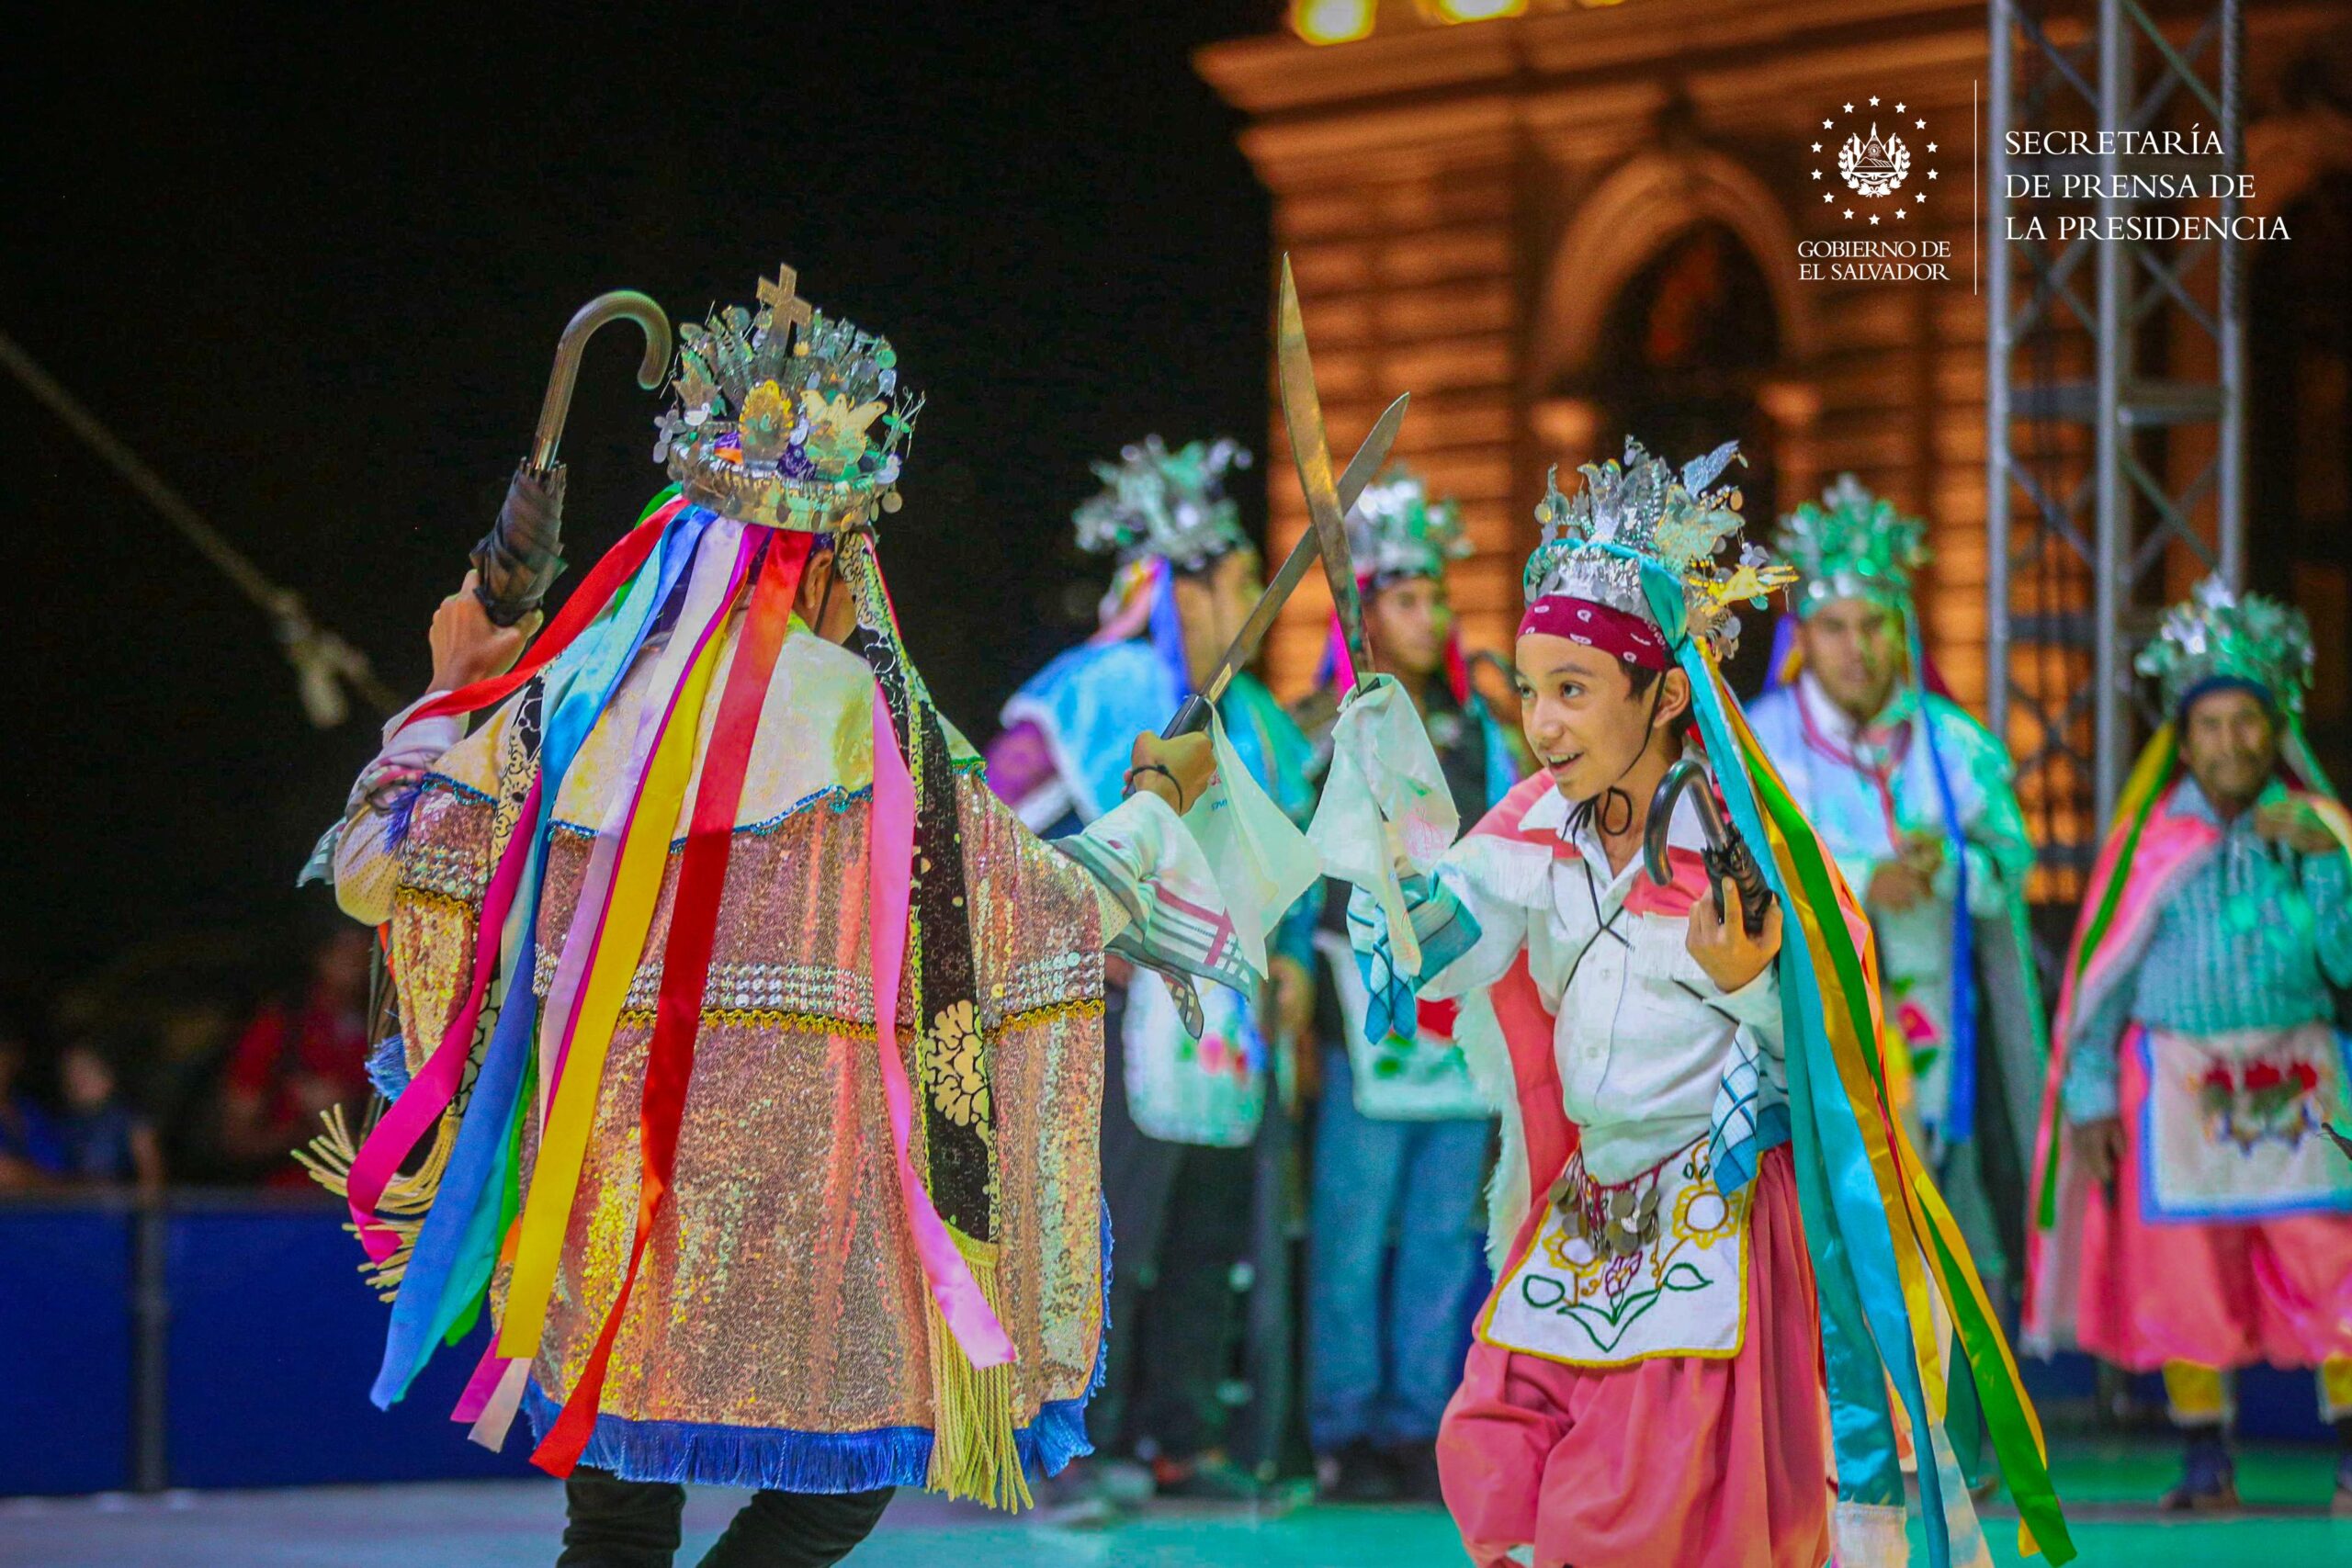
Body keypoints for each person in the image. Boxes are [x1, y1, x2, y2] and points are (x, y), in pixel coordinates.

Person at [304, 269, 1301, 1568]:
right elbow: (1048, 902)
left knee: (611, 1512)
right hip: (803, 1249)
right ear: (825, 556)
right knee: (834, 1488)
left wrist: (447, 691)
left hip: (611, 1225)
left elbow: (374, 864)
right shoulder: (858, 717)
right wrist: (1158, 805)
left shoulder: (577, 706)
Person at [1334, 440, 2069, 1568]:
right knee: (1499, 1438)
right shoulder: (1534, 824)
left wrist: (1756, 993)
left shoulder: (1739, 847)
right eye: (1532, 691)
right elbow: (1457, 943)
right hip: (1588, 1206)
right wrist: (1394, 879)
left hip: (1715, 1216)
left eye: (1572, 692)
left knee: (1652, 1507)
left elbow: (1830, 1029)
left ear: (1666, 692)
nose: (1541, 723)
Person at [989, 435, 1320, 1499]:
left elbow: (1292, 867)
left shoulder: (1259, 722)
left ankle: (1181, 1435)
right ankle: (1062, 1443)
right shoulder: (1094, 692)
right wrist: (1089, 925)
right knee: (1099, 1237)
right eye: (1225, 583)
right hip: (1110, 1020)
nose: (1240, 603)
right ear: (1176, 588)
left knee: (1202, 1240)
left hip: (1228, 1026)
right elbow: (996, 833)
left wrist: (1300, 965)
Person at [2028, 576, 2352, 1513]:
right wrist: (2089, 1100)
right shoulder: (2148, 843)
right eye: (2207, 726)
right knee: (2186, 1281)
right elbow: (2098, 990)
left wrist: (2334, 862)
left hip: (2302, 1076)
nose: (2228, 744)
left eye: (2244, 722)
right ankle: (2205, 1460)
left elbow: (2342, 958)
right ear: (2183, 738)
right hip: (2174, 1085)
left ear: (2275, 727)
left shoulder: (2316, 834)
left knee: (2331, 1265)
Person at [1745, 478, 2045, 1483]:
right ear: (1805, 633)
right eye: (1831, 626)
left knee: (1948, 1232)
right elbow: (1733, 876)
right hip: (1811, 1038)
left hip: (1935, 1047)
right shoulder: (1763, 740)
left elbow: (2011, 870)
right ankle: (1834, 1446)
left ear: (1899, 626)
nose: (1855, 647)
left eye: (1872, 623)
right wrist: (1851, 886)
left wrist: (1951, 871)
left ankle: (1959, 1445)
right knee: (1821, 1237)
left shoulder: (1955, 746)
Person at [1286, 466, 1517, 1501]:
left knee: (1439, 1231)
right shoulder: (1315, 731)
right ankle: (1341, 1426)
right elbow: (1292, 872)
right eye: (1409, 599)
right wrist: (1285, 986)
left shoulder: (1488, 737)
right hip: (1361, 1013)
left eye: (1438, 597)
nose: (1432, 617)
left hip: (1459, 1008)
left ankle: (1418, 1421)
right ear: (1363, 610)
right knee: (1350, 1227)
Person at [220, 925, 372, 1186]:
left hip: (381, 1203)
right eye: (346, 949)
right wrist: (312, 1130)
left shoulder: (394, 1033)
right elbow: (236, 1139)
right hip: (289, 1207)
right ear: (321, 957)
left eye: (368, 951)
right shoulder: (280, 1028)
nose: (357, 961)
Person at [54, 1039, 166, 1192]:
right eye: (70, 1071)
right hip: (74, 1210)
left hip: (119, 1210)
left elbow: (151, 1177)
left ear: (108, 1072)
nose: (76, 1079)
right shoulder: (62, 1123)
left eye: (85, 1069)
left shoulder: (132, 1120)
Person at [0, 1021, 65, 1190]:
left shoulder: (32, 1112)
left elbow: (61, 1171)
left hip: (49, 1211)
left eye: (4, 1058)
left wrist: (29, 1176)